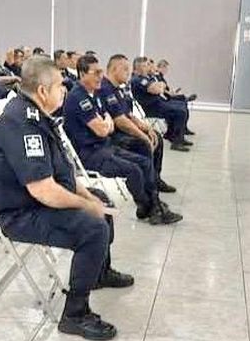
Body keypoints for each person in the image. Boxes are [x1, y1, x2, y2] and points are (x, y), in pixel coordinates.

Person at [0, 56, 134, 340]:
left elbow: (62, 170)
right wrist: (88, 206)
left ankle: (100, 271)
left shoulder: (36, 115)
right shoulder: (21, 123)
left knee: (100, 199)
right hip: (18, 214)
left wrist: (89, 197)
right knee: (93, 226)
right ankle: (75, 314)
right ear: (42, 91)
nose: (64, 90)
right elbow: (44, 190)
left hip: (32, 201)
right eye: (60, 85)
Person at [63, 54, 182, 225]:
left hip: (104, 147)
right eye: (96, 73)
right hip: (90, 154)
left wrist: (106, 122)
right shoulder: (78, 97)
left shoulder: (92, 94)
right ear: (82, 74)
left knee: (144, 162)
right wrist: (106, 123)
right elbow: (103, 128)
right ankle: (149, 207)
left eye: (101, 72)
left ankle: (151, 206)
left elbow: (109, 121)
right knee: (134, 169)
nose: (100, 76)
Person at [99, 54, 175, 193]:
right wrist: (143, 136)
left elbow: (128, 114)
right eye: (125, 69)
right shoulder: (105, 89)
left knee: (157, 137)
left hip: (123, 130)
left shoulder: (117, 89)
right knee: (144, 144)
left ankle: (155, 180)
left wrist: (147, 129)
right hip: (114, 136)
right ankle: (149, 192)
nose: (129, 72)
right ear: (114, 69)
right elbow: (120, 121)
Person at [131, 56, 191, 151]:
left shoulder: (145, 78)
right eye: (146, 65)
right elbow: (156, 90)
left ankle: (172, 135)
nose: (148, 67)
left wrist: (159, 86)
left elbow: (160, 87)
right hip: (150, 107)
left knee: (181, 105)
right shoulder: (138, 79)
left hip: (157, 103)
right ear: (139, 67)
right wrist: (159, 86)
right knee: (180, 111)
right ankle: (177, 142)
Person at [153, 59, 195, 135]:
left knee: (183, 104)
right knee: (182, 103)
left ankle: (184, 128)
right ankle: (185, 98)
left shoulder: (160, 77)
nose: (166, 70)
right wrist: (171, 93)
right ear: (160, 67)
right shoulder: (157, 77)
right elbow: (161, 90)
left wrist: (172, 91)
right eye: (165, 68)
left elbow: (165, 88)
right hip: (164, 98)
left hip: (166, 96)